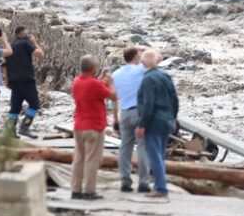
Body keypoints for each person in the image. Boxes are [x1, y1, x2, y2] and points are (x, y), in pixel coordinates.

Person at [71, 55, 116, 200]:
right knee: (92, 159)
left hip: (79, 125)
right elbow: (113, 96)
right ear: (93, 68)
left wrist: (100, 81)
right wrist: (108, 83)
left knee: (78, 158)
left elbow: (93, 87)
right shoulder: (95, 84)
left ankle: (75, 189)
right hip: (93, 126)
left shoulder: (77, 81)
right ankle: (89, 190)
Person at [136, 50, 179, 199]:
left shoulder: (147, 80)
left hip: (153, 122)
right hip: (166, 121)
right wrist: (172, 119)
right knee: (160, 155)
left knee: (154, 156)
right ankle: (161, 185)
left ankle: (160, 187)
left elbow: (148, 104)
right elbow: (175, 100)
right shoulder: (165, 76)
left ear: (143, 63)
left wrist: (141, 125)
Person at [112, 47, 150, 193]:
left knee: (125, 148)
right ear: (135, 56)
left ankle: (125, 181)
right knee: (142, 146)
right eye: (138, 55)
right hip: (139, 111)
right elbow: (156, 58)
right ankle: (143, 182)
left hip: (124, 112)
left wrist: (115, 118)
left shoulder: (116, 74)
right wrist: (143, 49)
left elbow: (113, 99)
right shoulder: (140, 69)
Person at [4, 26, 45, 139]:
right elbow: (40, 54)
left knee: (15, 106)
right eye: (27, 32)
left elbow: (5, 65)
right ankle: (24, 127)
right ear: (21, 34)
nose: (28, 34)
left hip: (14, 80)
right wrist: (34, 42)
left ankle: (9, 131)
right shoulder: (25, 44)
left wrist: (8, 80)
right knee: (34, 104)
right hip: (26, 79)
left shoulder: (10, 46)